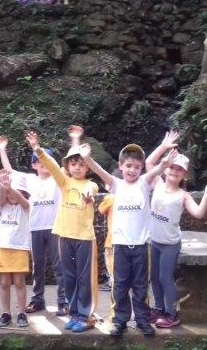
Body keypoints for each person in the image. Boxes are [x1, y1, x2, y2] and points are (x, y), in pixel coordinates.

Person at [81, 142, 168, 337]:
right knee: (120, 284)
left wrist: (164, 161)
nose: (132, 170)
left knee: (140, 285)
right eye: (128, 166)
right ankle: (120, 320)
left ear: (141, 168)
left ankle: (142, 319)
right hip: (120, 244)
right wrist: (87, 158)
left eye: (137, 167)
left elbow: (157, 170)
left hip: (141, 244)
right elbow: (100, 171)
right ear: (121, 166)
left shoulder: (144, 183)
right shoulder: (116, 184)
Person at [145, 131, 207, 328]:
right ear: (165, 169)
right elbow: (149, 163)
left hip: (170, 244)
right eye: (172, 167)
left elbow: (199, 213)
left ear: (184, 175)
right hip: (154, 240)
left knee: (165, 278)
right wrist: (164, 146)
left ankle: (171, 314)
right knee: (154, 278)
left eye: (179, 169)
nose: (174, 171)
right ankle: (159, 309)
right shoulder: (157, 182)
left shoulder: (183, 196)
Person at [27, 130, 99, 333]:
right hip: (64, 235)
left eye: (82, 164)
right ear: (67, 166)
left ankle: (86, 316)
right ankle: (74, 314)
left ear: (87, 167)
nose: (77, 167)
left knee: (84, 278)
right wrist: (37, 149)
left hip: (84, 238)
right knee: (69, 277)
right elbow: (50, 165)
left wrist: (88, 196)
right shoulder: (63, 182)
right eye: (73, 164)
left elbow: (92, 191)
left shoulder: (91, 184)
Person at [0, 134, 67, 316]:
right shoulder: (29, 179)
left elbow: (57, 166)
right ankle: (37, 300)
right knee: (37, 266)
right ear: (33, 165)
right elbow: (9, 172)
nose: (43, 164)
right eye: (38, 161)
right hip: (34, 228)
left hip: (55, 227)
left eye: (46, 160)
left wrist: (37, 147)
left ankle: (63, 301)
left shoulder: (58, 179)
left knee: (59, 266)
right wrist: (2, 150)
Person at [0, 169, 31, 328]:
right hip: (3, 248)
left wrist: (10, 188)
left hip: (20, 248)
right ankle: (6, 313)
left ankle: (22, 313)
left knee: (19, 282)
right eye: (9, 192)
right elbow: (1, 198)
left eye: (17, 191)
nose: (12, 195)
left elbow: (23, 201)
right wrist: (4, 186)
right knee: (4, 283)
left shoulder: (25, 207)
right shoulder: (2, 206)